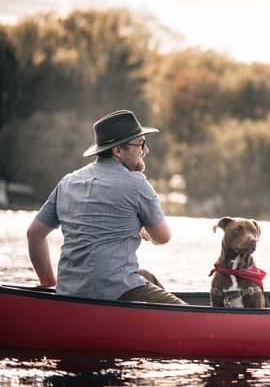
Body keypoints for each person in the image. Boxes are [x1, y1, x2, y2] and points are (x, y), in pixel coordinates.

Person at [26, 109, 185, 305]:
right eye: (141, 144)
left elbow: (34, 234)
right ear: (118, 151)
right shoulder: (136, 183)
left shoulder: (68, 182)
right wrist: (141, 226)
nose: (146, 151)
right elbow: (162, 237)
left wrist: (50, 285)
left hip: (68, 294)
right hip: (116, 291)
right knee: (194, 320)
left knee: (145, 276)